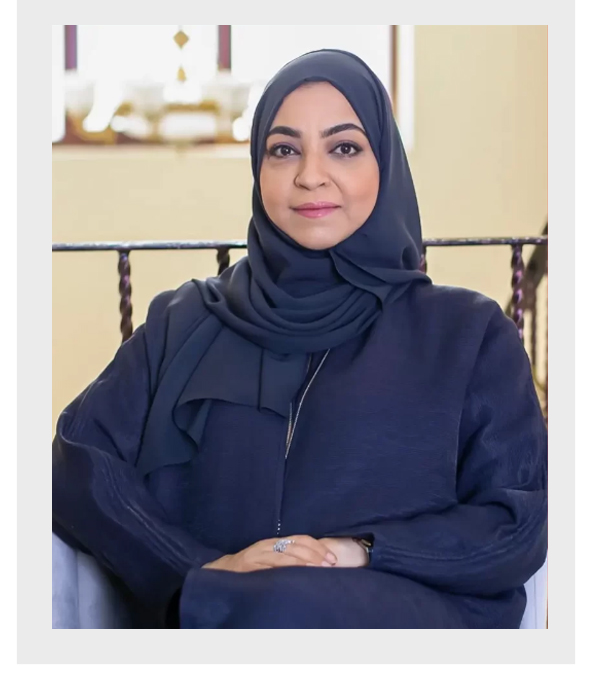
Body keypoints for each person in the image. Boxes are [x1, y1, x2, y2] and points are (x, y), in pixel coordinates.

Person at [52, 49, 548, 629]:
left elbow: (517, 521)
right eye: (284, 150)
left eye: (345, 148)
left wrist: (360, 551)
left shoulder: (468, 333)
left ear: (386, 164)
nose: (311, 175)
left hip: (410, 618)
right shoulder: (185, 321)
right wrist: (201, 569)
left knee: (283, 604)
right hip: (217, 618)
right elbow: (76, 462)